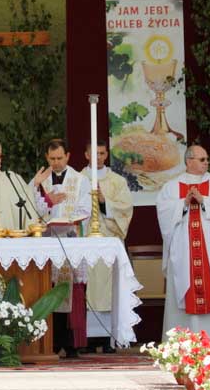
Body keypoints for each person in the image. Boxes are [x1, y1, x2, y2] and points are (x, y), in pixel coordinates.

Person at [157, 145, 210, 343]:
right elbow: (163, 211)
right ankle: (182, 341)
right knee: (184, 283)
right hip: (183, 250)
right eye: (202, 159)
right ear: (189, 161)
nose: (206, 163)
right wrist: (183, 203)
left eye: (207, 159)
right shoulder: (171, 186)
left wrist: (204, 200)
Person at [29, 138, 91, 357]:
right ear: (47, 157)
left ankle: (73, 344)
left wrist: (69, 220)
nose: (55, 162)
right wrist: (47, 201)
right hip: (47, 242)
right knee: (49, 288)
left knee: (73, 290)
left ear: (68, 156)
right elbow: (30, 210)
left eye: (59, 158)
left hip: (71, 239)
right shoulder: (39, 180)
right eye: (52, 158)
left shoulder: (81, 180)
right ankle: (52, 343)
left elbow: (86, 209)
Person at [81, 140, 133, 353]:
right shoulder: (78, 179)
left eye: (102, 153)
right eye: (94, 153)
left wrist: (104, 202)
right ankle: (85, 339)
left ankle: (106, 338)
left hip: (108, 241)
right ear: (86, 155)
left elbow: (126, 209)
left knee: (107, 288)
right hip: (84, 241)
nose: (98, 157)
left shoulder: (117, 181)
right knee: (86, 287)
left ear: (106, 155)